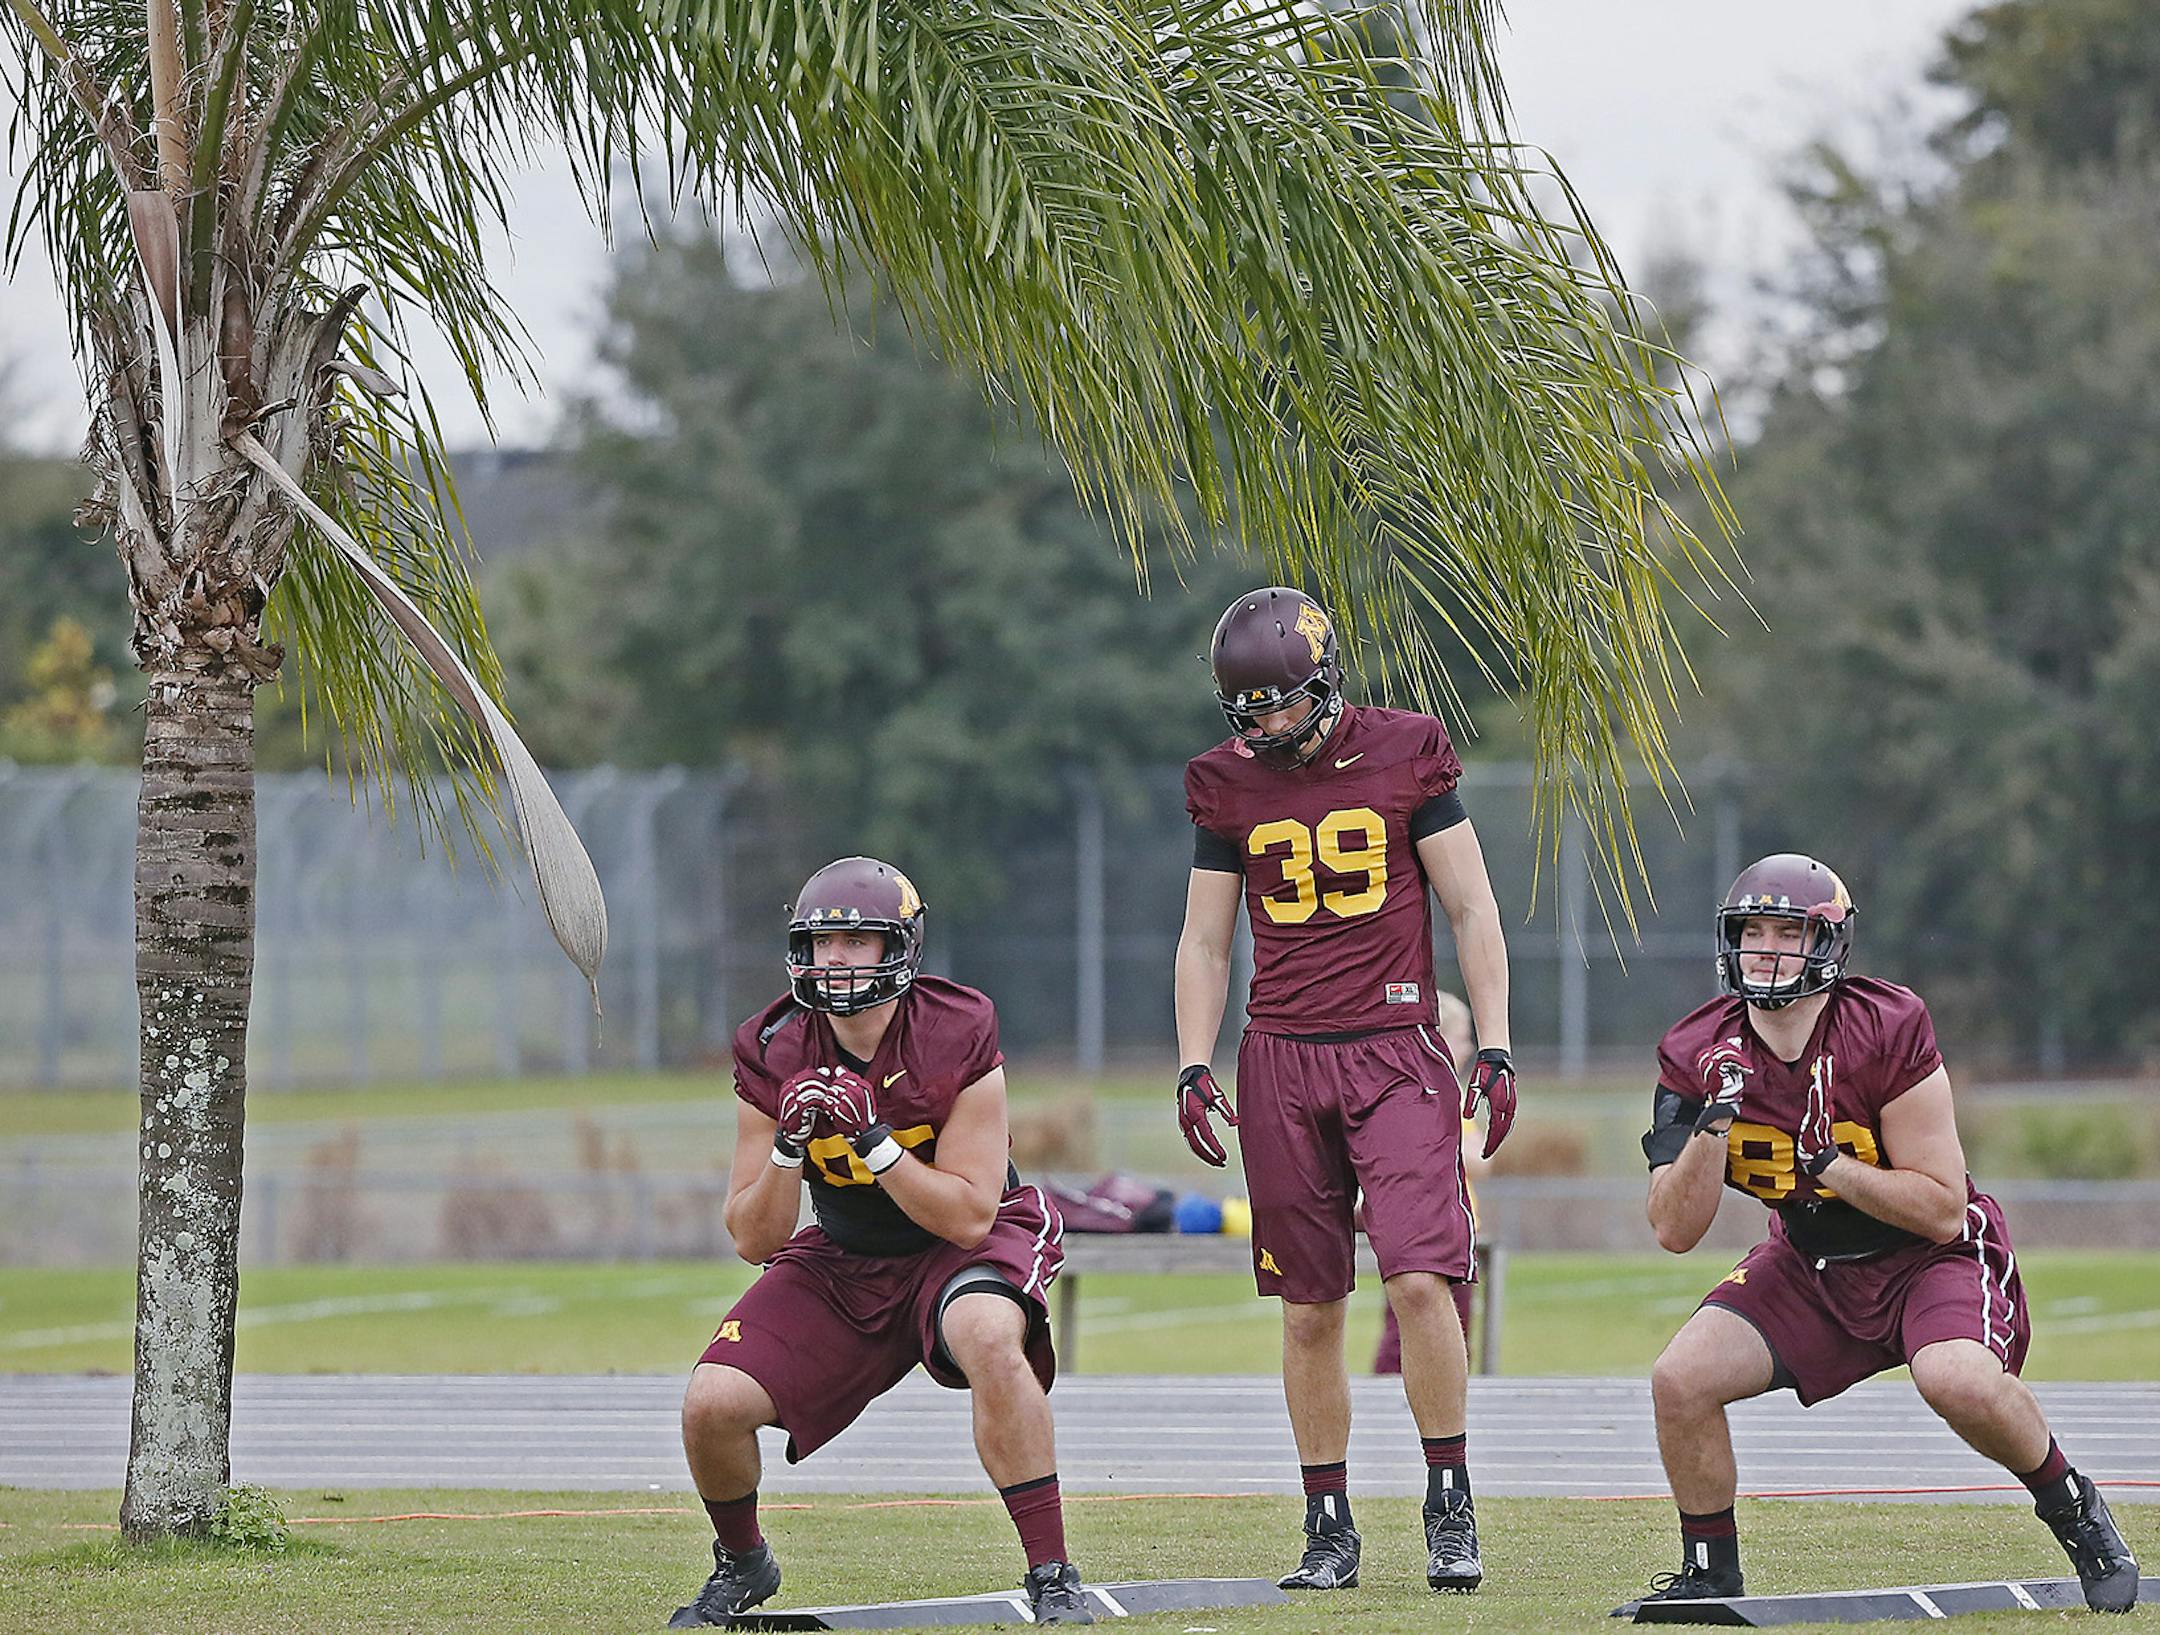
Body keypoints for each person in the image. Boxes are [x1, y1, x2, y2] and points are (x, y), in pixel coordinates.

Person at [1628, 853, 2140, 1614]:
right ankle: (1711, 1568)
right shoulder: (1696, 1046)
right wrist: (1715, 1121)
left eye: (1787, 931)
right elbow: (1673, 1228)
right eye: (1752, 931)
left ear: (1828, 943)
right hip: (1811, 1259)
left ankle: (2076, 1510)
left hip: (1928, 1255)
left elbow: (1939, 1205)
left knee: (1957, 1380)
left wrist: (1827, 1162)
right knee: (1681, 1379)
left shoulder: (1885, 1024)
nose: (1764, 949)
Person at [1172, 586, 1519, 1595]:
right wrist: (1195, 1059)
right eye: (1254, 711)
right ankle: (1328, 1524)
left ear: (1326, 684)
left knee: (1418, 1280)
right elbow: (1203, 937)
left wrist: (1492, 1040)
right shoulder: (1222, 783)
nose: (1272, 727)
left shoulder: (1407, 749)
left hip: (1393, 1048)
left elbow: (1471, 904)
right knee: (1308, 1307)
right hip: (1279, 1057)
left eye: (1286, 705)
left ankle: (1449, 1502)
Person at [675, 857, 1091, 1627]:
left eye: (856, 940)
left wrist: (875, 1139)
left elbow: (968, 1214)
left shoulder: (957, 1026)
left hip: (964, 1240)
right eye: (820, 941)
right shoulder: (771, 1044)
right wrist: (786, 1148)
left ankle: (1052, 1569)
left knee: (987, 1334)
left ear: (899, 947)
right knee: (712, 1403)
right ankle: (743, 1560)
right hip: (845, 1249)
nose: (833, 959)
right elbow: (752, 1234)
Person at [1371, 991, 1484, 1373]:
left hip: (1456, 1231)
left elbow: (1480, 1159)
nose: (1468, 1047)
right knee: (1404, 1325)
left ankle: (1446, 1400)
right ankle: (1386, 1391)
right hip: (1417, 1234)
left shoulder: (1454, 1098)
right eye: (1461, 1037)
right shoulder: (1411, 1099)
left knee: (1459, 1328)